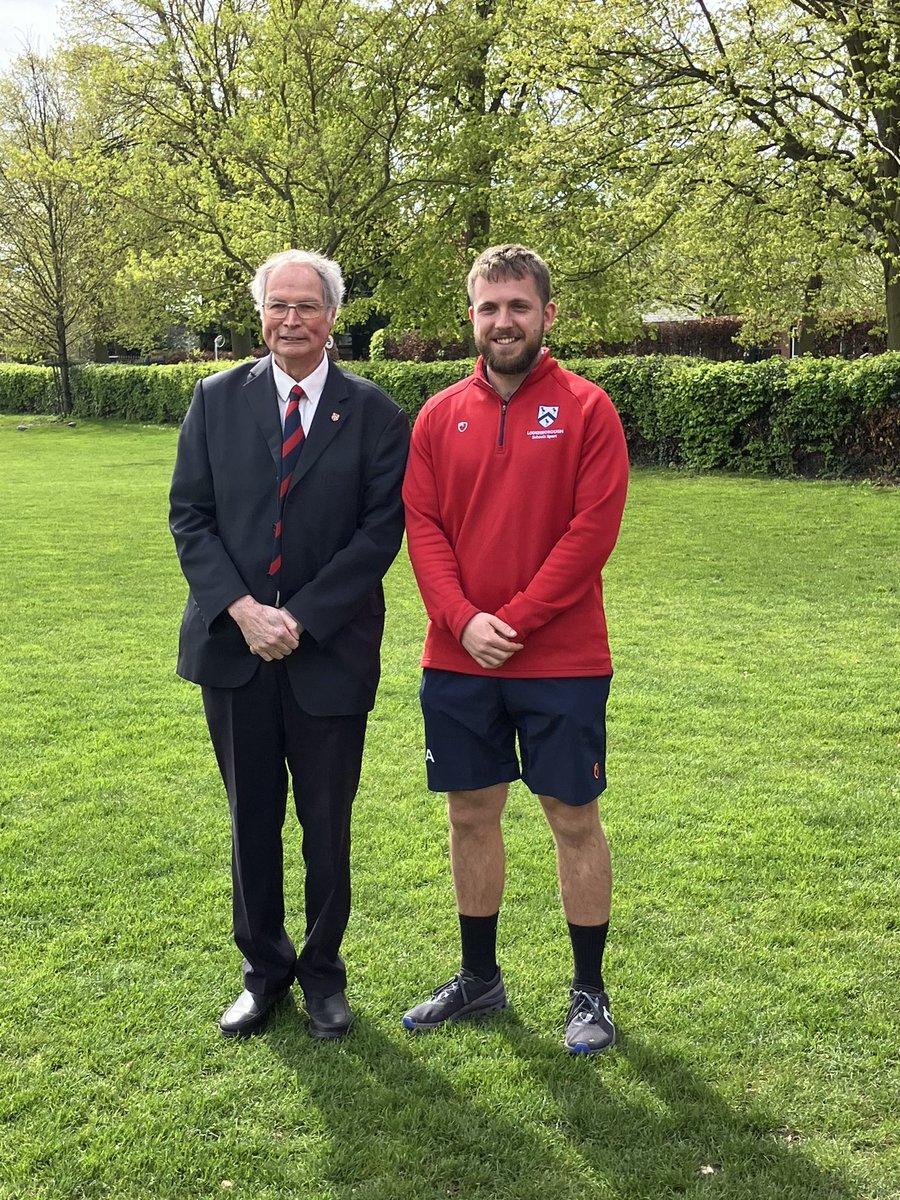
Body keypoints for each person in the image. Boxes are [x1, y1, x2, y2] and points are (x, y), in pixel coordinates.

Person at [169, 249, 409, 1039]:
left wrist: (297, 618)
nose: (291, 320)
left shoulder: (373, 412)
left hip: (326, 652)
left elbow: (379, 534)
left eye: (307, 306)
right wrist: (242, 610)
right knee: (252, 819)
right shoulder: (214, 399)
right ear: (261, 313)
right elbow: (191, 519)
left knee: (326, 823)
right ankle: (263, 972)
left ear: (333, 317)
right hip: (233, 651)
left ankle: (324, 975)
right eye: (278, 305)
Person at [401, 244, 629, 1054]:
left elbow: (591, 533)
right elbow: (422, 529)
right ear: (472, 315)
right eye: (489, 308)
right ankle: (480, 981)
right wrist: (462, 621)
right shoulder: (437, 415)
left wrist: (518, 620)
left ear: (547, 314)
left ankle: (590, 993)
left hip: (562, 660)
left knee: (573, 817)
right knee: (471, 815)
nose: (504, 322)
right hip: (457, 658)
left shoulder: (587, 409)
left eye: (518, 307)